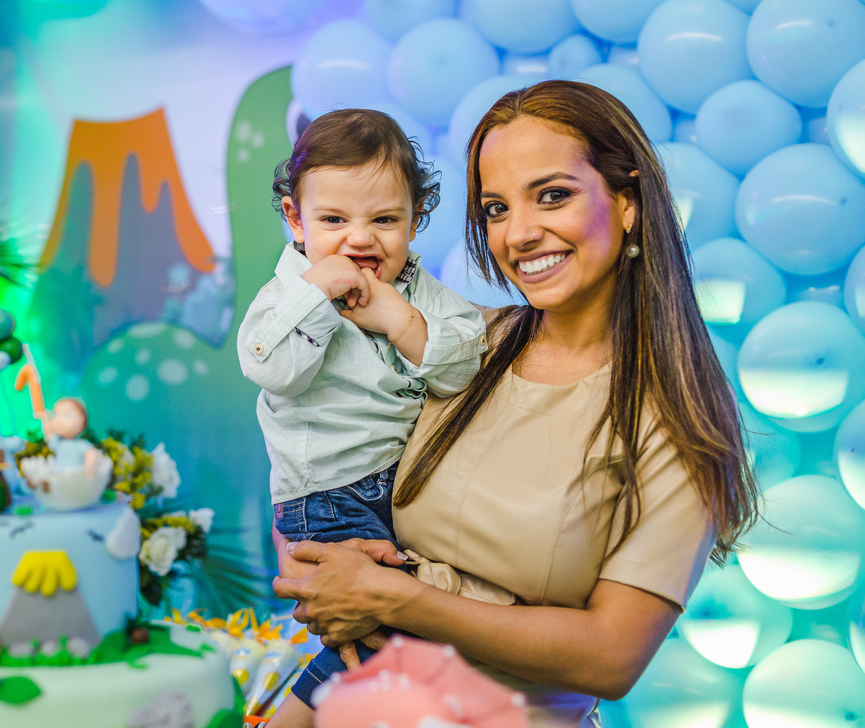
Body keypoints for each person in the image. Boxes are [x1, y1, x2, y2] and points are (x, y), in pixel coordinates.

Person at [269, 81, 759, 728]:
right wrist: (311, 557)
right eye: (496, 209)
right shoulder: (455, 342)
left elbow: (612, 657)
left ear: (628, 200)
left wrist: (392, 599)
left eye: (552, 195)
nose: (519, 234)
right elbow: (312, 442)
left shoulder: (678, 414)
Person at [238, 108, 488, 574]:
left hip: (410, 481)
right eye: (333, 220)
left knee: (427, 587)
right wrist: (316, 295)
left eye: (385, 219)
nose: (360, 238)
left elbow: (463, 370)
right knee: (365, 595)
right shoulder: (287, 295)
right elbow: (271, 370)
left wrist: (400, 319)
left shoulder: (419, 291)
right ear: (296, 219)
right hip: (326, 495)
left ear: (414, 220)